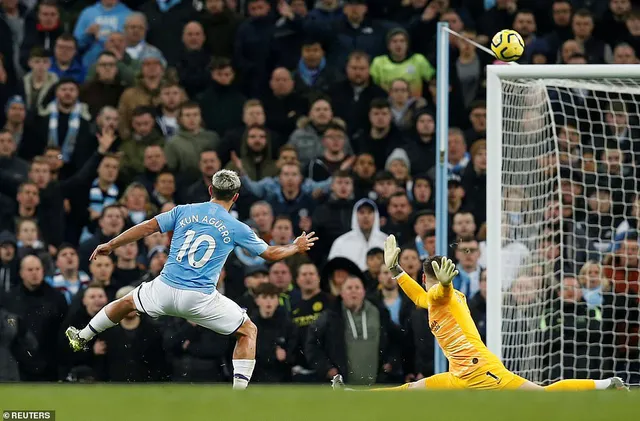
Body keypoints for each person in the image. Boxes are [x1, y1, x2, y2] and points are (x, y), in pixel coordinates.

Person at [64, 170, 317, 390]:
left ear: (210, 190)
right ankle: (239, 395)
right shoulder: (236, 226)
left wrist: (111, 243)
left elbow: (146, 227)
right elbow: (271, 254)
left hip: (165, 288)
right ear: (236, 197)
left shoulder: (183, 211)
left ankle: (83, 336)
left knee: (126, 302)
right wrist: (295, 246)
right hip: (199, 298)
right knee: (247, 330)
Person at [331, 234, 629, 392]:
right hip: (460, 373)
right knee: (411, 390)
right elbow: (423, 298)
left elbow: (435, 294)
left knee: (542, 394)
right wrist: (396, 270)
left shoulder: (444, 294)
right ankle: (351, 397)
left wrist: (442, 284)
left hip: (480, 369)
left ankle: (607, 384)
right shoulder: (435, 297)